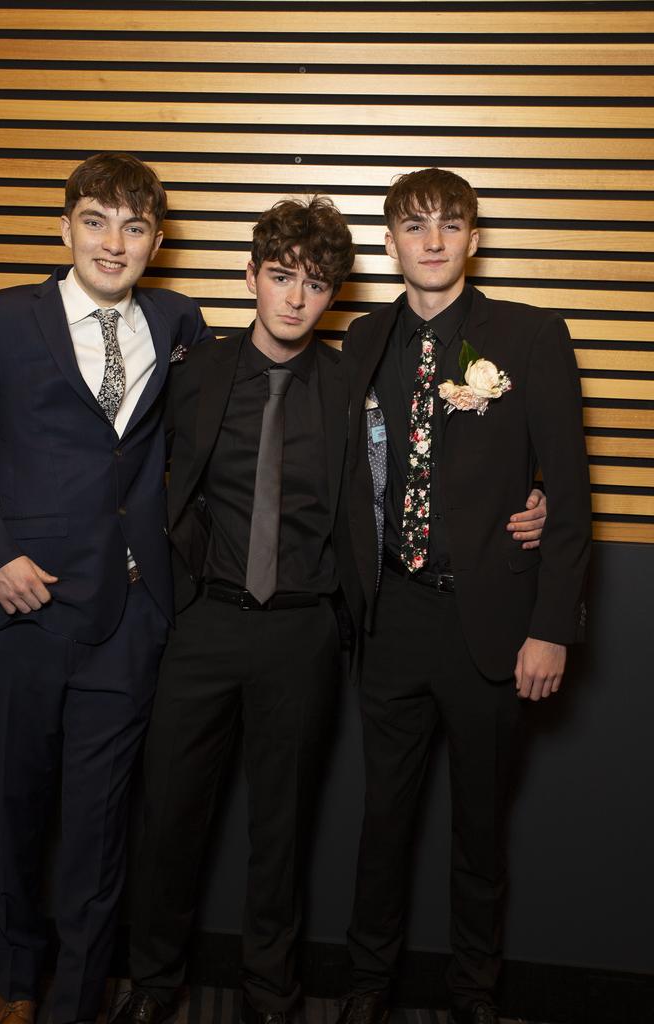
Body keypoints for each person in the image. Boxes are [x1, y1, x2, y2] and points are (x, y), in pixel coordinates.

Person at [113, 196, 547, 1024]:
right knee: (171, 814)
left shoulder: (355, 382)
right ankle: (153, 981)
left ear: (334, 294)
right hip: (206, 620)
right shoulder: (197, 369)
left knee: (283, 827)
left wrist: (542, 499)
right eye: (280, 278)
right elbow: (124, 459)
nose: (295, 299)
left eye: (315, 284)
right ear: (251, 276)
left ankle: (269, 992)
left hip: (306, 629)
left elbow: (448, 456)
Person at [0, 152, 212, 1024]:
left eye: (134, 226)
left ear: (156, 241)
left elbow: (242, 411)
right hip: (25, 607)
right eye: (96, 221)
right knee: (17, 811)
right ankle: (14, 985)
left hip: (129, 614)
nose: (113, 244)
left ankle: (76, 1001)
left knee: (99, 827)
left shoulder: (179, 320)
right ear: (66, 226)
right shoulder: (3, 320)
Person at [335, 168, 591, 1024]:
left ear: (473, 238)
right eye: (415, 226)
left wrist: (552, 625)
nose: (433, 240)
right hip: (390, 617)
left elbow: (574, 493)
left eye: (450, 224)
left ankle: (473, 996)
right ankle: (367, 988)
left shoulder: (528, 336)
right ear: (391, 242)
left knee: (480, 830)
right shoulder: (364, 339)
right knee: (382, 824)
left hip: (489, 624)